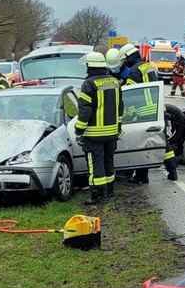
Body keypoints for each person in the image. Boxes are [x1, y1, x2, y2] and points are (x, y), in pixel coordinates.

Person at [121, 43, 177, 181]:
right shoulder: (149, 66)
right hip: (158, 109)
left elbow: (129, 95)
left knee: (141, 144)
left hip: (145, 112)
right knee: (164, 142)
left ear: (128, 57)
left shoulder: (134, 71)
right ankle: (172, 171)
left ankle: (142, 176)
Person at [75, 51, 122, 204]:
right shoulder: (114, 81)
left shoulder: (88, 84)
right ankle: (109, 190)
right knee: (108, 160)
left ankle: (97, 195)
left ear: (89, 66)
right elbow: (120, 106)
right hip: (112, 132)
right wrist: (118, 126)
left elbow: (85, 110)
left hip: (94, 134)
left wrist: (79, 130)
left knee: (95, 164)